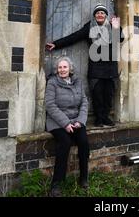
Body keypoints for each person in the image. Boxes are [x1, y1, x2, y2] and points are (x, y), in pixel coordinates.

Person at [46, 3, 124, 127]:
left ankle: (106, 117)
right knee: (97, 94)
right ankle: (99, 118)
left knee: (108, 94)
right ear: (94, 16)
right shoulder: (89, 27)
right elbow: (74, 37)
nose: (100, 14)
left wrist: (117, 27)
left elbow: (120, 39)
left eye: (102, 13)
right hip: (96, 68)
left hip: (110, 68)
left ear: (105, 16)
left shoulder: (112, 26)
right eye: (97, 13)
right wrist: (56, 44)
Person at [45, 56, 90, 196]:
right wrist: (65, 123)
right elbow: (50, 105)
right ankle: (56, 184)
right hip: (57, 121)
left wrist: (80, 121)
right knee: (65, 142)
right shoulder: (52, 83)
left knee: (83, 142)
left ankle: (83, 178)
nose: (62, 69)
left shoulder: (78, 82)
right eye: (60, 67)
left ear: (70, 68)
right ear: (56, 70)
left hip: (76, 120)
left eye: (65, 67)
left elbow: (84, 102)